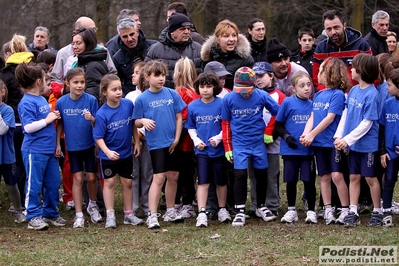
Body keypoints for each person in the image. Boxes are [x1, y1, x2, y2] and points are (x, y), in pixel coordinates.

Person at [221, 67, 279, 226]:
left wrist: (269, 131)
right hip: (239, 144)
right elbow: (225, 123)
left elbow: (277, 113)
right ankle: (240, 211)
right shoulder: (229, 99)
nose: (244, 93)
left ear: (254, 86)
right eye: (241, 90)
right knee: (240, 175)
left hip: (258, 143)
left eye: (247, 90)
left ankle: (261, 206)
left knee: (262, 174)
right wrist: (227, 147)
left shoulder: (261, 95)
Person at [133, 61, 186, 229]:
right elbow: (135, 122)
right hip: (156, 144)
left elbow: (179, 117)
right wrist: (143, 120)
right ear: (147, 77)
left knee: (173, 177)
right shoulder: (142, 99)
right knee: (159, 178)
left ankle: (170, 211)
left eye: (163, 75)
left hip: (172, 143)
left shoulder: (172, 94)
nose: (161, 78)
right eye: (157, 75)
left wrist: (177, 139)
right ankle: (152, 215)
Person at [300, 58, 351, 225]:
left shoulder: (337, 95)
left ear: (330, 73)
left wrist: (312, 134)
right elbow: (313, 116)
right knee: (324, 176)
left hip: (332, 143)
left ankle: (345, 209)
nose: (317, 74)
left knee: (337, 175)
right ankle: (328, 209)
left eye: (321, 70)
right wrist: (306, 133)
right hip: (319, 145)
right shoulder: (319, 94)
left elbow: (330, 118)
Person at [333, 54, 382, 227]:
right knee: (353, 176)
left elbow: (367, 123)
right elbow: (346, 115)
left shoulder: (372, 95)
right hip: (353, 145)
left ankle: (378, 211)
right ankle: (353, 211)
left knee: (370, 178)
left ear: (361, 71)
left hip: (367, 145)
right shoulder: (353, 91)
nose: (351, 70)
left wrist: (347, 139)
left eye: (353, 67)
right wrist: (339, 136)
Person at [16, 63, 65, 230]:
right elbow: (28, 128)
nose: (47, 82)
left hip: (49, 150)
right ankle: (33, 215)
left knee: (53, 182)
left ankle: (50, 212)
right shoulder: (27, 102)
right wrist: (48, 120)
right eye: (45, 79)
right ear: (38, 81)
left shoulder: (41, 99)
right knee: (34, 184)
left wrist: (52, 117)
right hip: (34, 151)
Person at [93, 74, 142, 228]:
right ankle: (110, 215)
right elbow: (98, 137)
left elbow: (133, 124)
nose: (118, 92)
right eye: (114, 89)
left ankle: (129, 214)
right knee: (110, 182)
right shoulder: (102, 114)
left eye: (120, 88)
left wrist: (137, 141)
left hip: (126, 153)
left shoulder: (128, 105)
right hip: (108, 155)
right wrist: (107, 152)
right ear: (105, 92)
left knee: (127, 182)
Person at [55, 68, 102, 228]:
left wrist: (92, 119)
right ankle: (78, 213)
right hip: (72, 147)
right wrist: (57, 144)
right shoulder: (61, 102)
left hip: (89, 145)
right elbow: (59, 123)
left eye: (82, 82)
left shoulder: (91, 100)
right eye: (76, 82)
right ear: (67, 83)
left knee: (91, 177)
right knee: (78, 179)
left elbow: (98, 123)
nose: (79, 86)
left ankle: (93, 205)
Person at [186, 72, 231, 227]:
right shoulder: (193, 106)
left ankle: (222, 209)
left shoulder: (222, 104)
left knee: (221, 181)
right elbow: (191, 127)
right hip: (202, 152)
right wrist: (197, 141)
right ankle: (202, 211)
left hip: (219, 151)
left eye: (208, 86)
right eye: (202, 87)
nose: (205, 90)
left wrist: (218, 138)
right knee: (203, 181)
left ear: (215, 87)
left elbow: (226, 124)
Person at [273, 71, 316, 224]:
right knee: (290, 181)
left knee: (309, 181)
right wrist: (287, 137)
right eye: (302, 86)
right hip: (290, 151)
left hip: (308, 151)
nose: (306, 89)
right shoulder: (287, 103)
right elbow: (278, 125)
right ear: (293, 88)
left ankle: (311, 210)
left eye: (309, 85)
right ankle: (291, 210)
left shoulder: (314, 105)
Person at [247, 61, 285, 220]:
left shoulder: (279, 96)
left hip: (271, 143)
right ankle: (256, 205)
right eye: (255, 76)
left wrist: (272, 135)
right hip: (253, 143)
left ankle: (271, 205)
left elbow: (280, 118)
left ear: (271, 75)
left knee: (270, 175)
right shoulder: (249, 94)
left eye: (261, 76)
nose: (258, 79)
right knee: (254, 175)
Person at [0, 35, 35, 208]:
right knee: (29, 162)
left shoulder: (5, 74)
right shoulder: (31, 69)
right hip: (32, 122)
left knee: (16, 163)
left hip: (12, 122)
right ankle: (29, 199)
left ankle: (18, 203)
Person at [313, 10, 371, 91]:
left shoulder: (361, 45)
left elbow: (371, 74)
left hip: (356, 95)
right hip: (331, 96)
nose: (333, 32)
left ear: (344, 25)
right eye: (329, 29)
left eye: (336, 27)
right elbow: (317, 80)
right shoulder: (321, 49)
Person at [51, 16, 116, 85]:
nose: (93, 33)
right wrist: (65, 91)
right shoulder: (64, 53)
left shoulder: (102, 51)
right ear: (77, 30)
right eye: (90, 30)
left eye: (94, 30)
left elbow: (112, 73)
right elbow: (56, 78)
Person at [145, 12, 202, 89]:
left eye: (188, 29)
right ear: (172, 31)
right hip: (165, 96)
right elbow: (145, 77)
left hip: (193, 96)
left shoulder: (198, 49)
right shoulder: (155, 50)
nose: (186, 32)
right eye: (182, 29)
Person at [173, 57, 199, 218]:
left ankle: (187, 203)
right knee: (187, 172)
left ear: (180, 74)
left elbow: (182, 119)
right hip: (189, 140)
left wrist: (174, 140)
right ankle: (182, 202)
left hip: (184, 141)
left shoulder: (183, 93)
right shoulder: (195, 93)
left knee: (184, 173)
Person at [125, 61, 153, 218]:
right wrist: (136, 137)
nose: (133, 75)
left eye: (136, 72)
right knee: (134, 173)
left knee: (147, 172)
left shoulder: (152, 94)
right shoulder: (130, 96)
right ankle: (133, 206)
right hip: (134, 141)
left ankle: (148, 206)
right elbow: (131, 120)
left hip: (150, 140)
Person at [0, 79, 26, 223]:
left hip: (6, 156)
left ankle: (18, 210)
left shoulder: (7, 110)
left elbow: (3, 130)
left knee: (11, 184)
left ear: (2, 92)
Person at [201, 19, 254, 90]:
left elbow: (250, 85)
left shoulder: (245, 58)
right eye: (226, 36)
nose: (231, 39)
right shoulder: (208, 57)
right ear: (217, 39)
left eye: (234, 35)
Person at [112, 18, 156, 96]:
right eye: (125, 37)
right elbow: (116, 83)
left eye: (132, 34)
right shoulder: (117, 58)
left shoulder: (154, 47)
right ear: (120, 37)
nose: (129, 39)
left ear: (137, 32)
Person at [65, 27, 109, 101]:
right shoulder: (81, 62)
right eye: (73, 43)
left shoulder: (93, 66)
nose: (74, 47)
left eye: (78, 43)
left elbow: (93, 93)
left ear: (88, 44)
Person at [379, 68, 399, 227]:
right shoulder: (387, 104)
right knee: (389, 180)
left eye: (390, 85)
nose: (387, 88)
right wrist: (383, 152)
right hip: (391, 153)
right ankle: (386, 212)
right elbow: (382, 130)